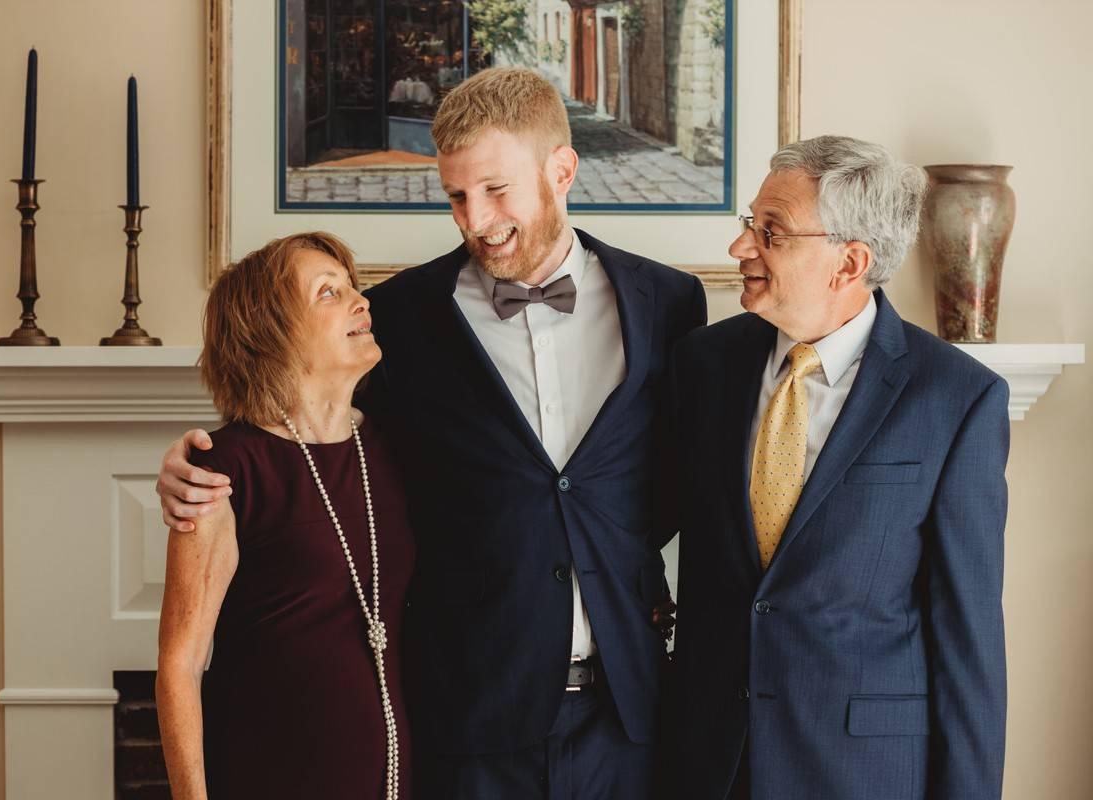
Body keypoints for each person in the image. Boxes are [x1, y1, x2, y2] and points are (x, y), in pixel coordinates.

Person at [157, 67, 706, 799]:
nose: (475, 219)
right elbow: (305, 416)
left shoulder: (668, 302)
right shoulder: (400, 318)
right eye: (456, 196)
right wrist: (191, 462)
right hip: (470, 720)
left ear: (562, 169)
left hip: (628, 712)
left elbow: (681, 477)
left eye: (495, 189)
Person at [662, 135, 1009, 800]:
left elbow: (969, 639)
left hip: (863, 772)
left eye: (771, 232)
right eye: (748, 225)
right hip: (707, 761)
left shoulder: (956, 399)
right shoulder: (701, 365)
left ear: (849, 262)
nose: (741, 249)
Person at [154, 232, 414, 799]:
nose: (361, 302)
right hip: (263, 773)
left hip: (391, 776)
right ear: (272, 334)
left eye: (353, 287)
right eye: (328, 292)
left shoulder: (396, 448)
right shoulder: (221, 469)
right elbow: (181, 664)